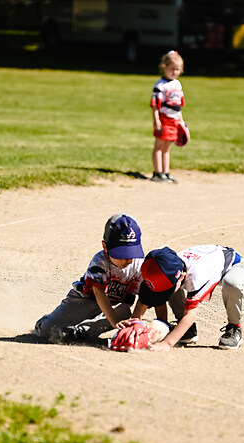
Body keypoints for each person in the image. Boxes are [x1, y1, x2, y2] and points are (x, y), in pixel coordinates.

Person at [34, 213, 145, 344]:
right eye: (122, 254)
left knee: (124, 312)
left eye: (132, 253)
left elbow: (145, 295)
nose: (128, 259)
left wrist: (136, 320)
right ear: (105, 247)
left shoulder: (138, 265)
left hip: (114, 305)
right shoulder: (100, 261)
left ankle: (79, 332)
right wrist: (114, 322)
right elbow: (98, 292)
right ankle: (46, 321)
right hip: (84, 301)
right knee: (46, 331)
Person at [132, 245, 244, 351]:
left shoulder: (197, 277)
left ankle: (235, 328)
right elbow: (144, 300)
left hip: (234, 265)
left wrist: (167, 343)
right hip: (202, 264)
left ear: (182, 276)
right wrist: (133, 326)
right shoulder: (161, 268)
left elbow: (190, 314)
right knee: (172, 286)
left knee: (232, 283)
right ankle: (188, 332)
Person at [150, 50, 186, 183]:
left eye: (178, 69)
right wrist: (156, 120)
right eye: (172, 69)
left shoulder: (177, 84)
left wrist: (181, 120)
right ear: (164, 67)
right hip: (163, 119)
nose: (175, 72)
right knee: (159, 146)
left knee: (167, 148)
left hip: (174, 120)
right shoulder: (160, 85)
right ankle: (157, 172)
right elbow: (155, 105)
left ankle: (166, 171)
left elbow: (178, 106)